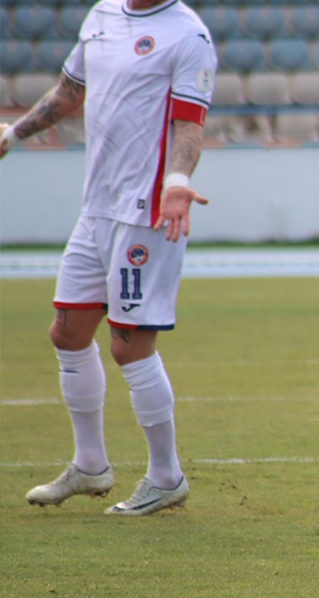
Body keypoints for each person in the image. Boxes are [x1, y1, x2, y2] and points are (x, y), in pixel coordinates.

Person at [2, 0, 216, 516]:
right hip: (96, 207)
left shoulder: (188, 35)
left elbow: (190, 123)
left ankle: (166, 477)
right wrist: (12, 133)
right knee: (68, 333)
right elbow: (69, 92)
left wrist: (178, 183)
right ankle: (90, 464)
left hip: (145, 212)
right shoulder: (101, 16)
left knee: (129, 346)